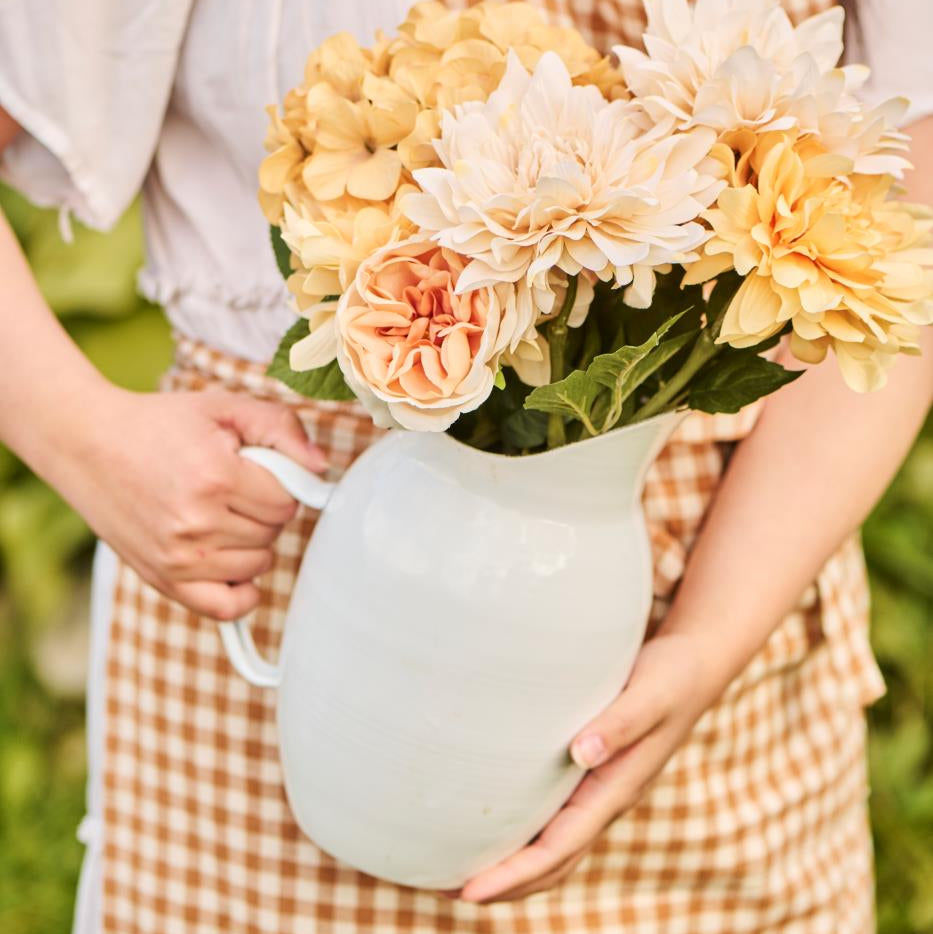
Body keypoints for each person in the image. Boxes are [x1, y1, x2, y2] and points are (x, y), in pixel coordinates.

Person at [0, 0, 931, 931]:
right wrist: (80, 435)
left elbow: (905, 230)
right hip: (269, 572)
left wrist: (708, 641)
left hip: (719, 599)